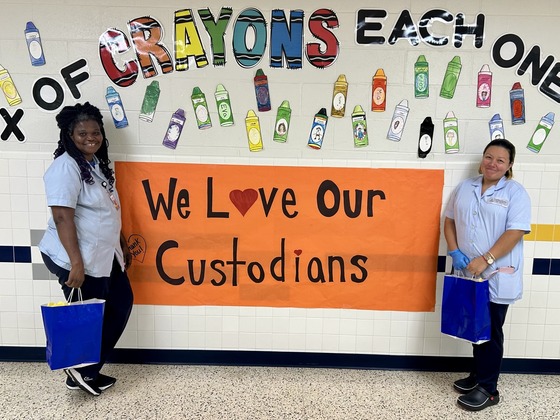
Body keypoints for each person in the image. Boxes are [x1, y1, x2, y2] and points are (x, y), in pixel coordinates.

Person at [39, 102, 134, 396]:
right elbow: (62, 216)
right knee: (89, 317)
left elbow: (107, 210)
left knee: (120, 303)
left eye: (95, 132)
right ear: (70, 133)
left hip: (103, 255)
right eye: (82, 133)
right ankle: (81, 371)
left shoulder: (94, 163)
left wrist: (122, 241)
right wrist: (76, 264)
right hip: (78, 258)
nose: (90, 137)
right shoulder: (65, 166)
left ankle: (86, 371)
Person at [443, 139, 531, 411]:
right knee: (474, 327)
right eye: (488, 157)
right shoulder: (465, 187)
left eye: (500, 160)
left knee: (490, 332)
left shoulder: (516, 193)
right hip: (468, 272)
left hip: (495, 274)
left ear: (509, 165)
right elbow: (449, 221)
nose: (492, 163)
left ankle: (489, 389)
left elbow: (515, 232)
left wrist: (486, 259)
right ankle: (478, 376)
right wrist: (455, 251)